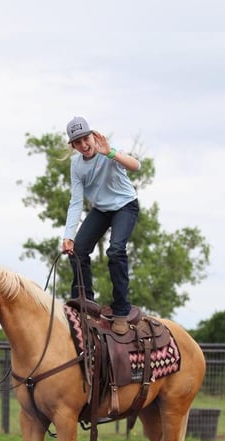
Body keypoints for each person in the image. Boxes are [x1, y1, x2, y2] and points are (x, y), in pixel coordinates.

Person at [61, 116, 141, 335]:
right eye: (77, 143)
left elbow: (136, 165)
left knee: (115, 251)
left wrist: (111, 153)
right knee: (77, 250)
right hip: (102, 210)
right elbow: (76, 201)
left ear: (93, 136)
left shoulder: (108, 151)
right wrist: (68, 235)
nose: (84, 145)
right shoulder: (76, 165)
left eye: (86, 139)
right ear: (73, 145)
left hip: (125, 206)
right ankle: (84, 301)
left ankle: (121, 311)